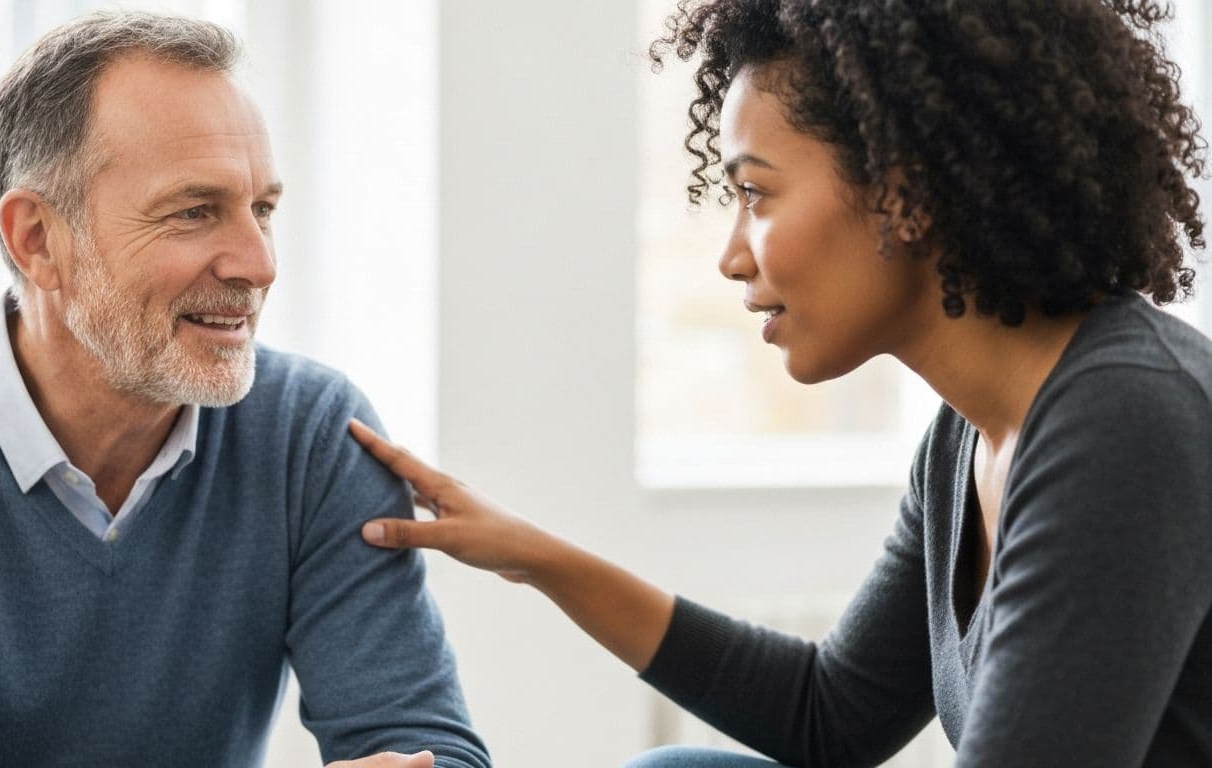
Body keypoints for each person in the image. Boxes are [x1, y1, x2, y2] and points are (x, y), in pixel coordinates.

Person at [346, 1, 1212, 766]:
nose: (730, 256)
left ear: (906, 195)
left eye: (756, 194)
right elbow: (829, 718)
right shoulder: (966, 437)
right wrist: (535, 556)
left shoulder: (1128, 419)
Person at [0, 11, 488, 768]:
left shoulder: (311, 435)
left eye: (262, 209)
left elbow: (430, 752)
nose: (258, 264)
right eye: (195, 212)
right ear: (37, 238)